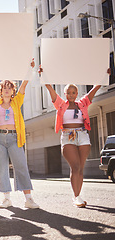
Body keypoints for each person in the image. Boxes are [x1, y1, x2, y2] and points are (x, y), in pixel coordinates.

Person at [40, 67, 110, 207]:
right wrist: (43, 76)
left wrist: (104, 76)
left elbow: (94, 90)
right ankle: (76, 196)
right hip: (67, 136)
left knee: (80, 168)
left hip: (83, 135)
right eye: (68, 93)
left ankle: (78, 196)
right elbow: (50, 89)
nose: (71, 95)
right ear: (65, 94)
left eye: (74, 92)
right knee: (75, 166)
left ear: (77, 93)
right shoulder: (60, 104)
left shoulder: (82, 103)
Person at [0, 61, 39, 209]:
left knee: (21, 165)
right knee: (1, 168)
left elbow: (24, 85)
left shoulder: (17, 102)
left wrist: (30, 68)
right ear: (0, 91)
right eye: (4, 88)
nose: (7, 90)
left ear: (12, 91)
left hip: (14, 138)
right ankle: (6, 199)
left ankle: (28, 198)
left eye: (9, 88)